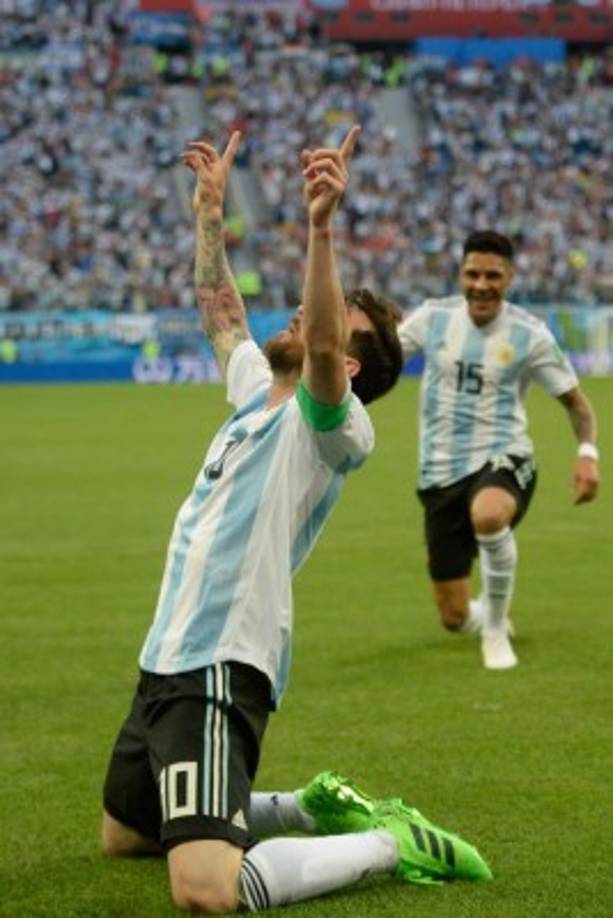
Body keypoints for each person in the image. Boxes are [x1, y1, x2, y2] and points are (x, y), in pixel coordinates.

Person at [100, 129, 491, 913]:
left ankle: (391, 843)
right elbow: (221, 311)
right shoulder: (256, 390)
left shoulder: (332, 428)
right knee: (128, 832)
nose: (301, 314)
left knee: (205, 889)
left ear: (345, 365)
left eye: (327, 321)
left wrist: (320, 228)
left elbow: (317, 343)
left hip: (221, 658)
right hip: (166, 653)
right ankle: (303, 808)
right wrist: (209, 217)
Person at [398, 230, 600, 671]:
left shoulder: (530, 335)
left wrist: (588, 453)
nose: (482, 285)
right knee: (453, 616)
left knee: (489, 515)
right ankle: (486, 618)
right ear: (460, 274)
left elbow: (577, 405)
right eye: (473, 274)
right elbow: (382, 360)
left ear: (509, 278)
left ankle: (494, 633)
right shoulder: (433, 319)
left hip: (505, 457)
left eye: (493, 276)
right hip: (439, 473)